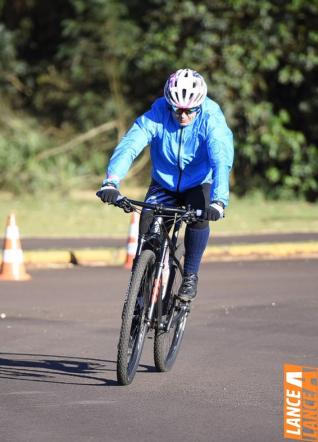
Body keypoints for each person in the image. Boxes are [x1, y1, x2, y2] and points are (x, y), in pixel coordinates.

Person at [97, 68, 234, 302]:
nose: (183, 115)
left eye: (190, 110)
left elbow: (221, 159)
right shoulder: (158, 112)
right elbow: (131, 145)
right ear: (168, 103)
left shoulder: (212, 119)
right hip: (164, 183)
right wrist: (111, 182)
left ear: (199, 105)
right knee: (148, 235)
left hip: (198, 182)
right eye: (177, 109)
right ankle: (139, 295)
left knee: (199, 218)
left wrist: (219, 201)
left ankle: (190, 274)